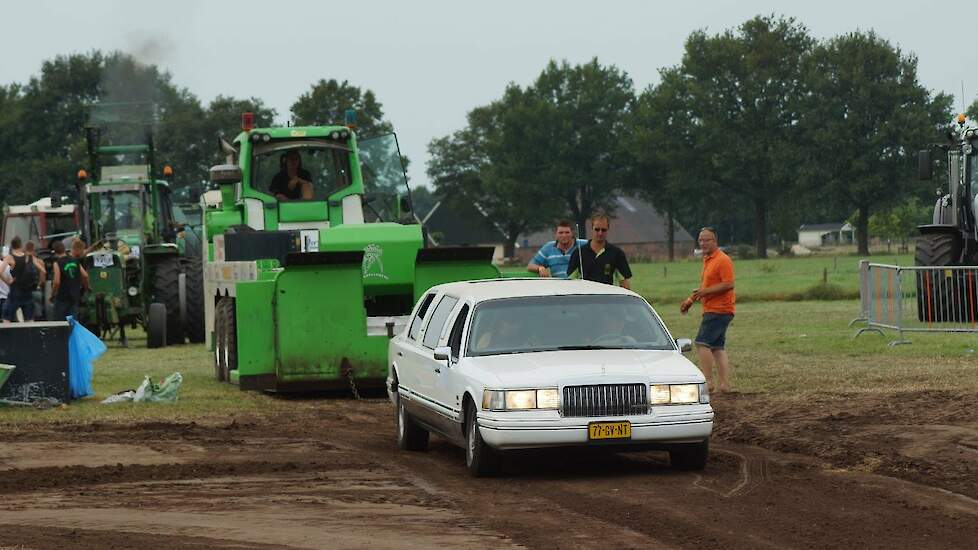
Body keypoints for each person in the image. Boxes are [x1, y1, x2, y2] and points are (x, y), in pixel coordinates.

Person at [680, 227, 735, 392]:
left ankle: (708, 383)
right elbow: (706, 287)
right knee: (717, 347)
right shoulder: (708, 260)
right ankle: (724, 385)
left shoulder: (722, 260)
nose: (703, 243)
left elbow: (728, 284)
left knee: (701, 343)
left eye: (707, 240)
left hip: (719, 310)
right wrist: (691, 299)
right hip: (714, 309)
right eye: (700, 240)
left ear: (715, 241)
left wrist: (704, 292)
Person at [567, 213, 632, 289]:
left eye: (603, 230)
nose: (600, 233)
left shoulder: (617, 253)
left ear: (608, 229)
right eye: (597, 229)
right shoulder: (578, 253)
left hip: (607, 296)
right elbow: (571, 281)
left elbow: (624, 282)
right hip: (585, 296)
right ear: (592, 228)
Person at [1, 237, 46, 322]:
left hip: (14, 292)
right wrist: (40, 283)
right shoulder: (29, 257)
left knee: (6, 319)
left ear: (12, 246)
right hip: (28, 292)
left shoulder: (10, 258)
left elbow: (0, 272)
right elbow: (43, 270)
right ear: (21, 245)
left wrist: (8, 281)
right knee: (29, 320)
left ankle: (7, 335)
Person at [50, 239, 89, 321]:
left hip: (62, 297)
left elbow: (56, 282)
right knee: (73, 322)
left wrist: (53, 294)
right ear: (64, 249)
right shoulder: (75, 260)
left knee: (59, 323)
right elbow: (85, 275)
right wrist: (86, 288)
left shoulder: (57, 263)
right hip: (74, 296)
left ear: (55, 252)